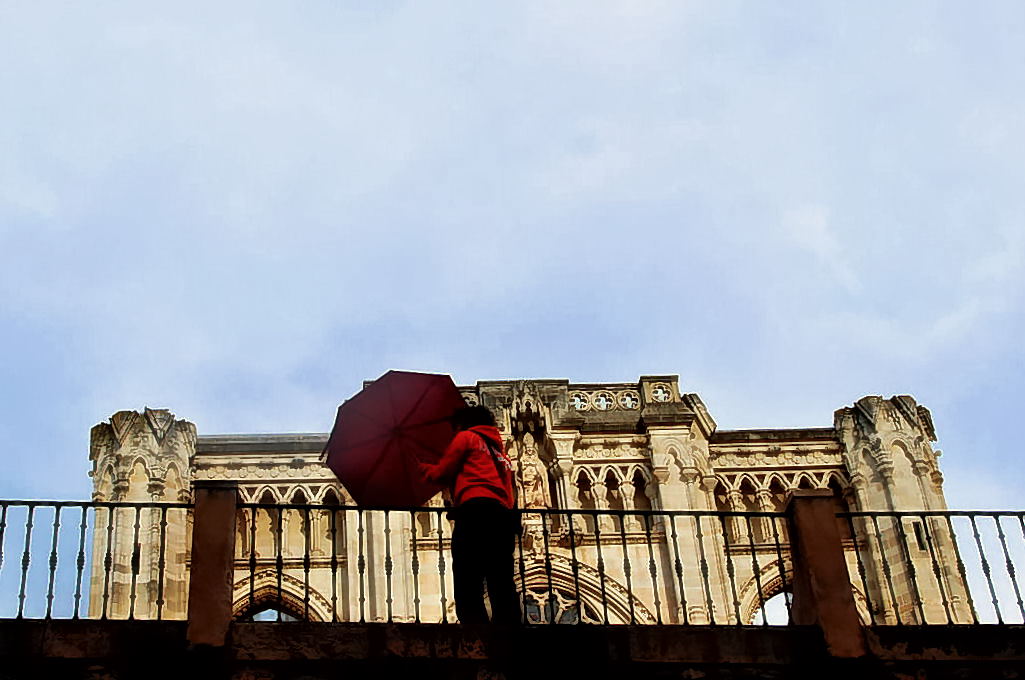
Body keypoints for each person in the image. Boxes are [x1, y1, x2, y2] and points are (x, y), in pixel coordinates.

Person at [418, 405, 520, 624]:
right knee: (500, 574)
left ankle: (475, 626)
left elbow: (441, 471)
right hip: (501, 517)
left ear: (463, 424)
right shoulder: (500, 454)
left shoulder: (466, 438)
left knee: (467, 570)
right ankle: (508, 624)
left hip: (474, 511)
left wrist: (421, 467)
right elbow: (509, 493)